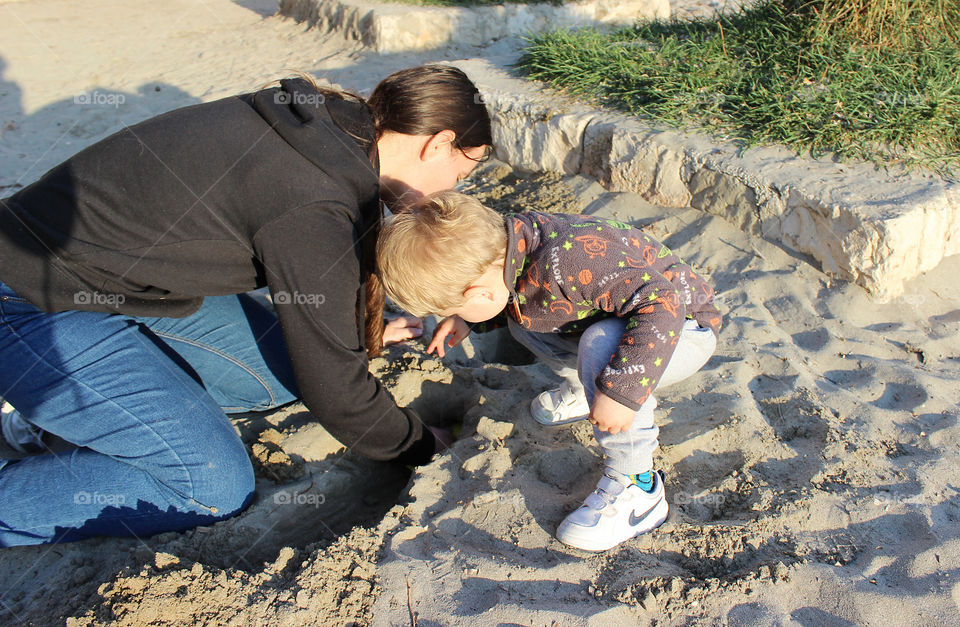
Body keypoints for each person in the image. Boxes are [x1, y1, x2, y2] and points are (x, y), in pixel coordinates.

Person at [0, 65, 492, 546]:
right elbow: (337, 392)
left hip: (108, 281)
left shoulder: (330, 130)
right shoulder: (314, 200)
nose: (452, 189)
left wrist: (357, 331)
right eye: (461, 171)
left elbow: (324, 289)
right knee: (212, 489)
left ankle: (73, 418)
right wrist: (424, 445)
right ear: (438, 143)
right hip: (28, 300)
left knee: (281, 367)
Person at [377, 191, 722, 552]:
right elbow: (522, 300)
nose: (451, 313)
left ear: (477, 291)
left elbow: (662, 303)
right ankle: (583, 390)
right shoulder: (511, 246)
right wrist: (466, 318)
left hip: (683, 328)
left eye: (453, 305)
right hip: (629, 318)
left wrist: (623, 390)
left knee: (601, 345)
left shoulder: (566, 261)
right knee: (525, 322)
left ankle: (638, 486)